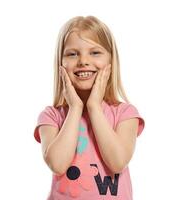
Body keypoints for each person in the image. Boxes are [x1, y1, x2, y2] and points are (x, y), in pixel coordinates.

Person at [33, 15, 145, 200]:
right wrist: (75, 107)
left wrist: (94, 106)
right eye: (72, 53)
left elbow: (117, 162)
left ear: (111, 61)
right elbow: (58, 164)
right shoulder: (51, 116)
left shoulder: (125, 114)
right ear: (61, 63)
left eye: (95, 52)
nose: (83, 61)